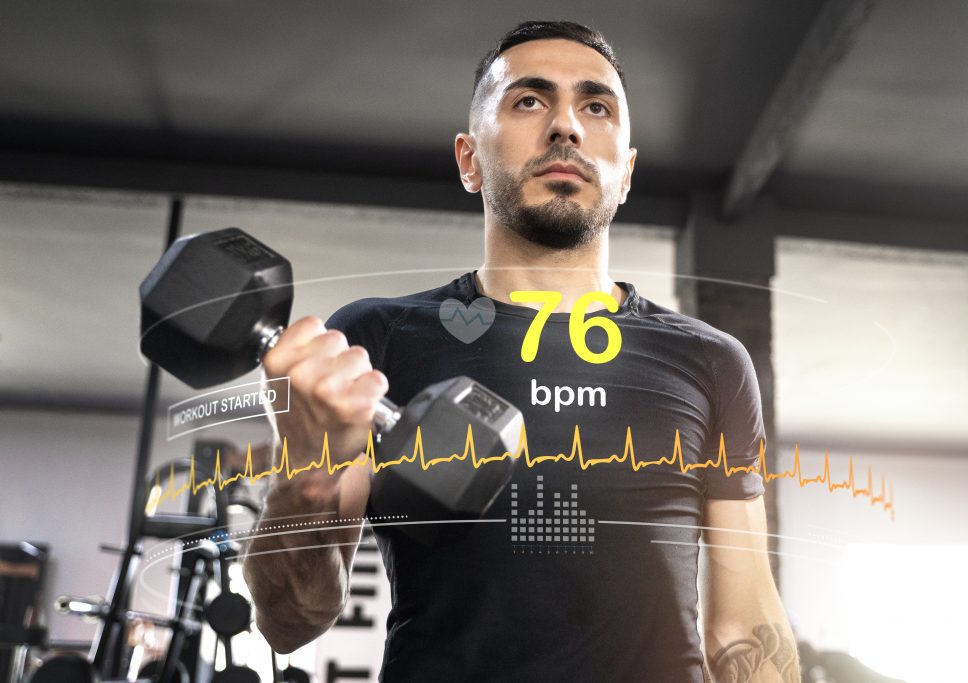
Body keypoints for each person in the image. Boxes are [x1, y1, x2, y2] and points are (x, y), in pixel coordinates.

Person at [242, 20, 799, 683]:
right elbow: (291, 618)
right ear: (469, 159)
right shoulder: (376, 342)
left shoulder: (711, 362)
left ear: (626, 171)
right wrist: (304, 469)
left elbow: (743, 626)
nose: (566, 125)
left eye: (596, 106)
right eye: (529, 100)